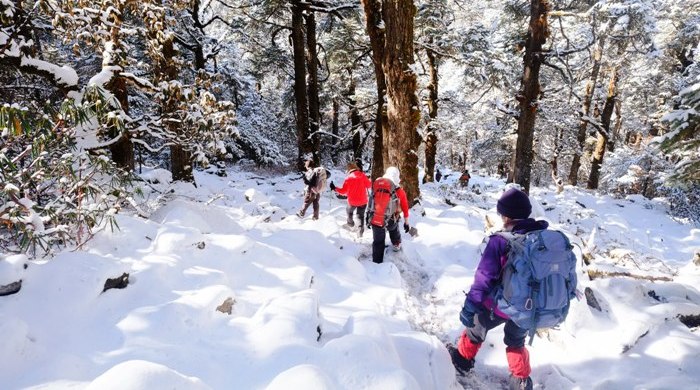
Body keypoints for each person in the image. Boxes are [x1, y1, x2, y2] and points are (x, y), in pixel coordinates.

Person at [447, 187, 546, 390]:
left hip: (503, 303)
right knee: (516, 340)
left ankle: (462, 362)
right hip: (531, 305)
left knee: (476, 327)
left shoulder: (500, 240)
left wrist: (470, 305)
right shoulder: (541, 237)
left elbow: (484, 277)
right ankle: (521, 380)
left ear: (507, 215)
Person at [369, 166, 410, 264]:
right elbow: (405, 207)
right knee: (394, 228)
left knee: (378, 241)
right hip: (390, 220)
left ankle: (377, 263)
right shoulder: (399, 190)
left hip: (375, 218)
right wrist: (406, 223)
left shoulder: (376, 186)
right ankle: (396, 244)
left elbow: (371, 201)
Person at [329, 162, 371, 236]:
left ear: (349, 169)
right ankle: (360, 233)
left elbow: (343, 191)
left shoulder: (348, 178)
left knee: (349, 212)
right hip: (363, 201)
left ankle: (350, 223)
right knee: (360, 216)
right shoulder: (362, 175)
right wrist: (368, 179)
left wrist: (334, 188)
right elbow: (369, 185)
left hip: (352, 201)